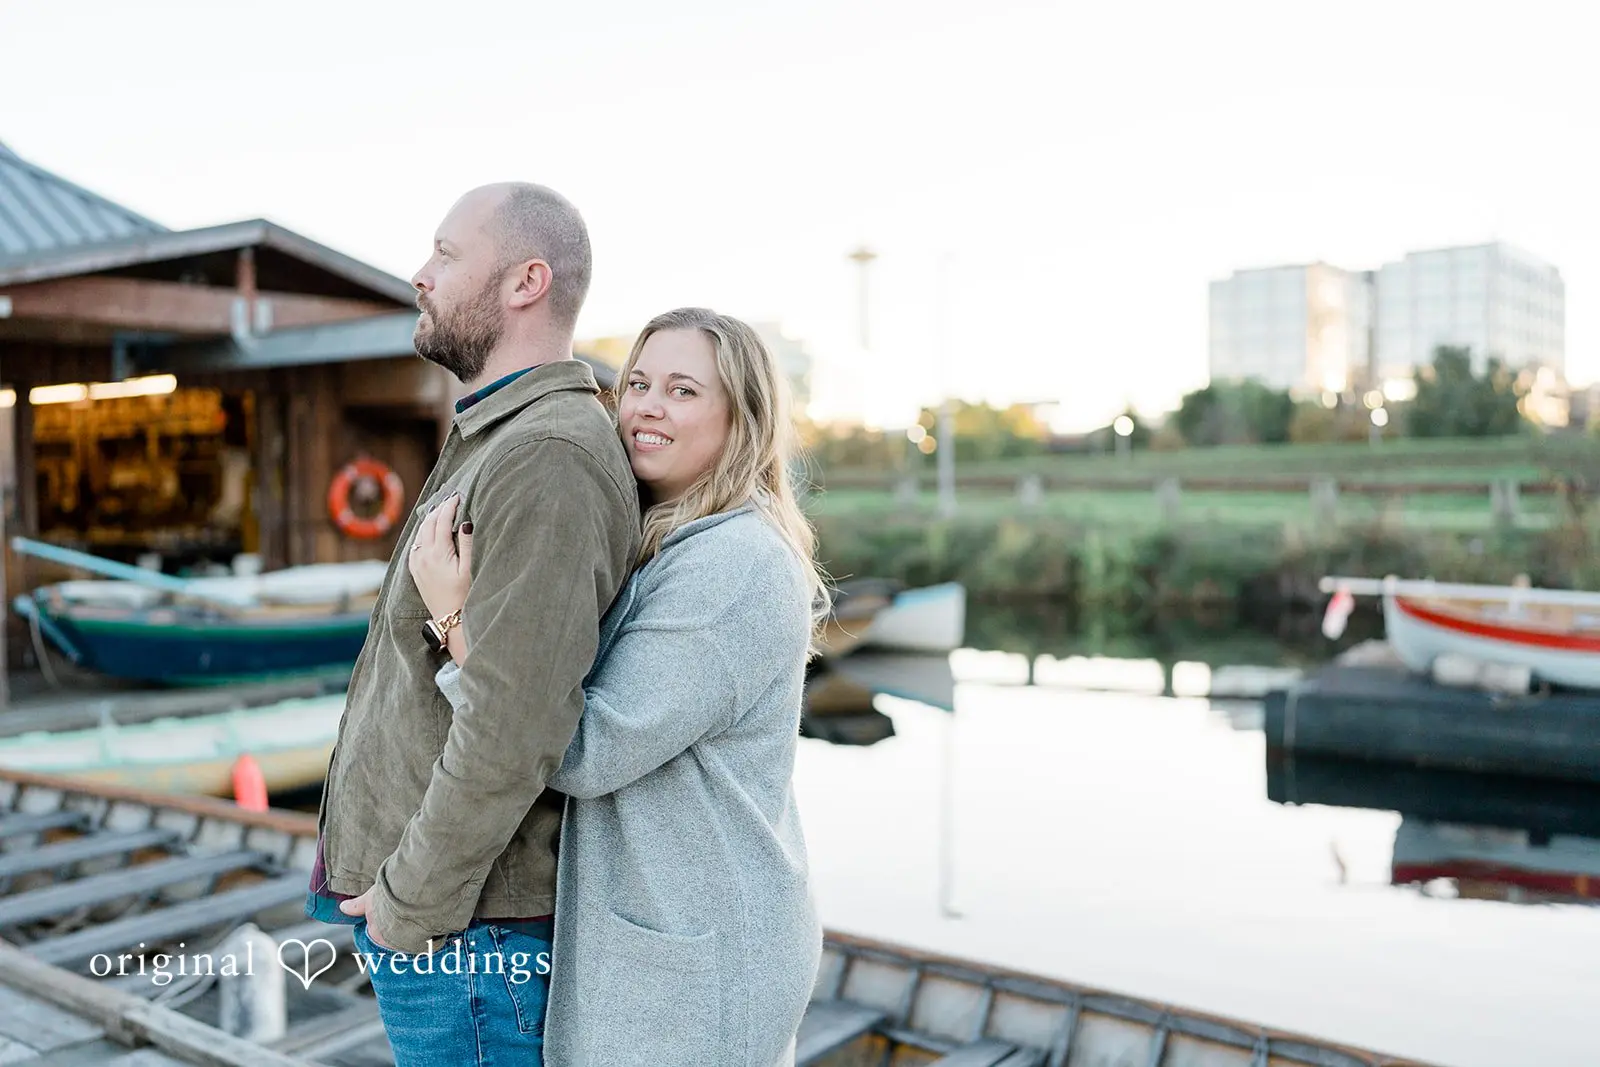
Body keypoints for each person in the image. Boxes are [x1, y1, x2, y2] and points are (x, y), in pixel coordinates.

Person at [409, 307, 827, 1066]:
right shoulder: (676, 537)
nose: (646, 407)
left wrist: (455, 619)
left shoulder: (734, 566)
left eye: (682, 390)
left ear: (744, 418)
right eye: (637, 383)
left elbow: (584, 751)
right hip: (673, 932)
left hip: (697, 955)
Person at [306, 182, 641, 1066]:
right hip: (450, 931)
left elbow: (514, 723)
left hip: (468, 940)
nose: (420, 275)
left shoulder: (548, 456)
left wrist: (406, 905)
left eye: (446, 254)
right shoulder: (497, 437)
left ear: (527, 281)